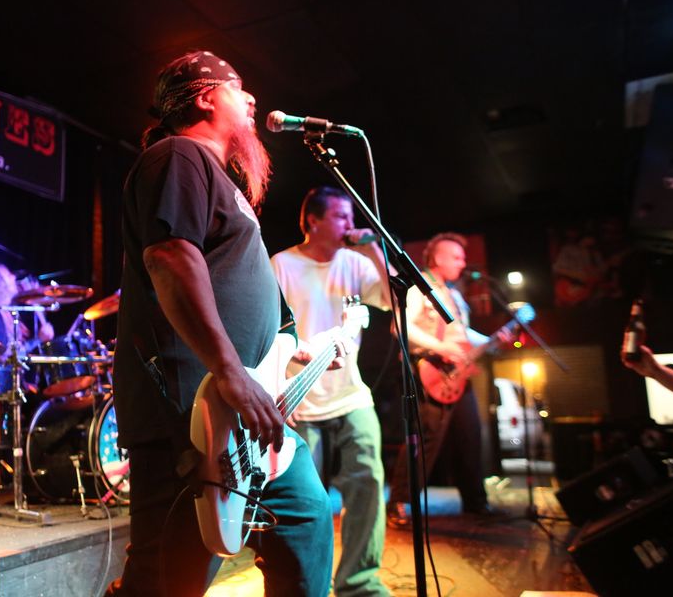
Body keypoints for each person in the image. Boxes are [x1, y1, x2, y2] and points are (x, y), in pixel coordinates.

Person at [107, 51, 334, 596]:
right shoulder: (178, 154)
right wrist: (229, 371)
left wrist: (289, 352)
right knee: (168, 580)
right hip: (192, 411)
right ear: (207, 97)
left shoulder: (217, 178)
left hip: (247, 417)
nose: (252, 99)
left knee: (306, 519)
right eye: (239, 88)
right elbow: (170, 258)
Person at [270, 186, 393, 596]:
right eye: (341, 216)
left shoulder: (355, 262)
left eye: (351, 217)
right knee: (307, 500)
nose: (349, 224)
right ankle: (308, 584)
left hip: (351, 394)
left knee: (368, 483)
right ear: (313, 221)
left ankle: (359, 582)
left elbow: (392, 300)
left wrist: (373, 248)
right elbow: (266, 331)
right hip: (299, 398)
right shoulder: (282, 265)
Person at [387, 232, 511, 527]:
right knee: (425, 440)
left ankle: (476, 503)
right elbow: (399, 327)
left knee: (470, 436)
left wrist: (494, 341)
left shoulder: (454, 295)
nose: (463, 263)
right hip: (430, 371)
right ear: (437, 258)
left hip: (458, 375)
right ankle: (400, 503)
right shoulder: (419, 288)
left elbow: (462, 335)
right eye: (456, 257)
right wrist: (440, 347)